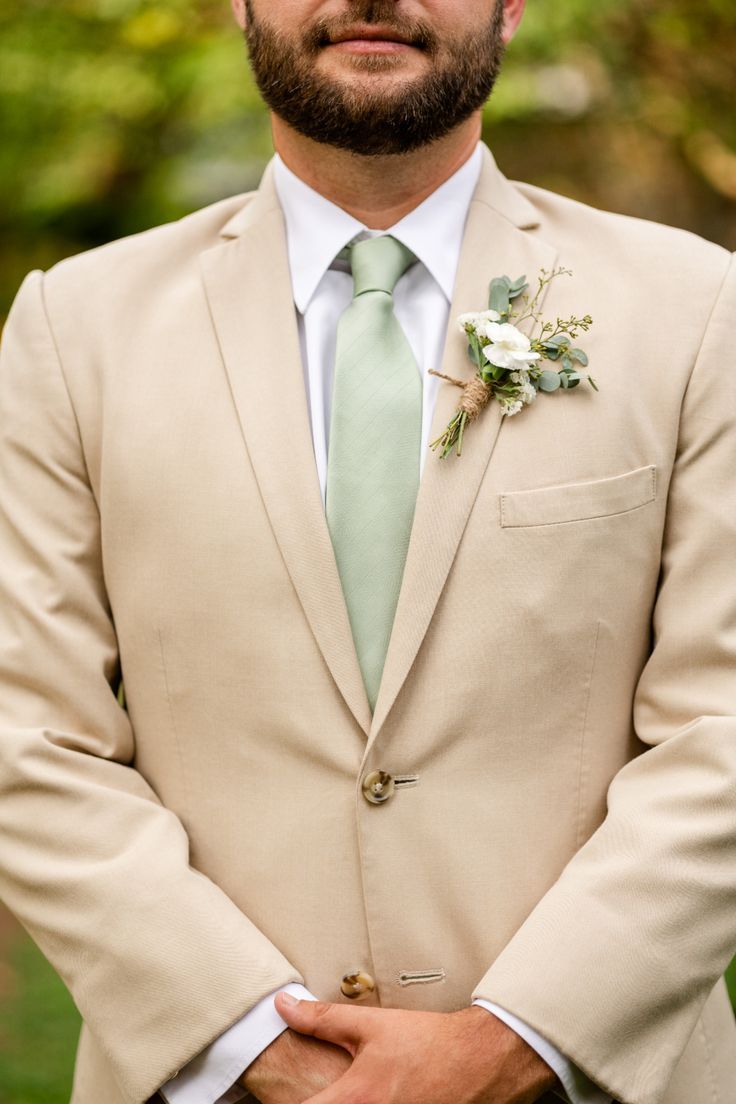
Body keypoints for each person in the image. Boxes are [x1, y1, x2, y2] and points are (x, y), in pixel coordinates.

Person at [0, 1, 734, 1102]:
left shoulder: (698, 312)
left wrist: (515, 1041)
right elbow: (30, 735)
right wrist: (259, 1047)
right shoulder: (72, 329)